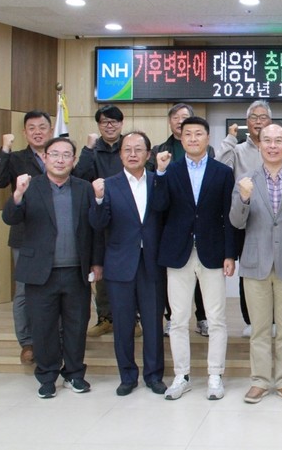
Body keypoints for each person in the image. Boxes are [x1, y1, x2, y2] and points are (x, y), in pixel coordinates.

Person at [2, 137, 104, 398]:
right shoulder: (30, 186)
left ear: (73, 160)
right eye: (55, 154)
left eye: (66, 155)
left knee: (76, 325)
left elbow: (94, 229)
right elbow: (10, 218)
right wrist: (17, 194)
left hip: (76, 271)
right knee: (43, 327)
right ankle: (47, 376)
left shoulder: (84, 188)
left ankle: (74, 374)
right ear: (45, 158)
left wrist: (96, 262)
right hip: (40, 272)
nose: (60, 160)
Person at [230, 124, 282, 404]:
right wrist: (244, 197)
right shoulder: (245, 180)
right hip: (255, 263)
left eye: (279, 141)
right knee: (260, 329)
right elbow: (236, 222)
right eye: (267, 140)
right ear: (259, 145)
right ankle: (259, 381)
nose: (273, 146)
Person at [152, 117, 236, 401]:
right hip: (178, 253)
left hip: (212, 252)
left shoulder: (223, 172)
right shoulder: (170, 170)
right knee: (178, 319)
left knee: (216, 319)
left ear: (208, 138)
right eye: (187, 134)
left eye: (198, 134)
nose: (192, 139)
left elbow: (229, 216)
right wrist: (159, 173)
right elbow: (159, 207)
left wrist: (230, 254)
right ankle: (182, 376)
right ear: (181, 138)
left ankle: (215, 375)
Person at [89, 131, 166, 396]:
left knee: (153, 323)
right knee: (122, 324)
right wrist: (98, 199)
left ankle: (154, 375)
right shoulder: (108, 185)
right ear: (120, 154)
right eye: (127, 149)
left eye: (138, 149)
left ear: (148, 154)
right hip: (120, 264)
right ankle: (127, 376)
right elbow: (98, 224)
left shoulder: (158, 181)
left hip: (152, 263)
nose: (133, 154)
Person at [217, 100, 282, 337]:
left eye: (263, 117)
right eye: (253, 118)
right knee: (248, 272)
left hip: (276, 219)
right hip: (246, 218)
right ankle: (251, 320)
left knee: (276, 268)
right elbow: (220, 168)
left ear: (271, 121)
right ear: (247, 123)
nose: (258, 122)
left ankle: (274, 320)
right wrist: (230, 139)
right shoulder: (238, 150)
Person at [0, 110, 53, 364]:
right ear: (25, 133)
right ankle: (27, 343)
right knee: (25, 291)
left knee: (56, 288)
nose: (38, 132)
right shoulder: (16, 158)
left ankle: (55, 338)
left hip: (56, 235)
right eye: (32, 128)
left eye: (42, 127)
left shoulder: (59, 155)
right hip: (25, 235)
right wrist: (5, 149)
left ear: (51, 130)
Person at [147, 103, 211, 338]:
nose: (179, 120)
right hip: (172, 223)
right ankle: (171, 318)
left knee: (202, 277)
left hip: (200, 225)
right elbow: (155, 185)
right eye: (175, 117)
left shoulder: (208, 151)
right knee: (173, 279)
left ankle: (202, 318)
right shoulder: (159, 150)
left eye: (184, 117)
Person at [73, 105, 126, 338]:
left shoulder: (129, 146)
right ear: (98, 125)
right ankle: (105, 317)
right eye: (105, 122)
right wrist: (87, 148)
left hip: (127, 217)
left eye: (114, 121)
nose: (110, 126)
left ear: (121, 124)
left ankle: (131, 318)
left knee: (129, 270)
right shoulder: (92, 150)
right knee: (101, 269)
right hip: (99, 217)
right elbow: (78, 177)